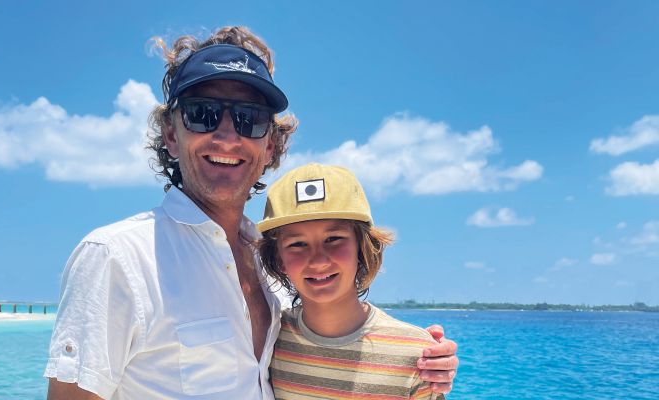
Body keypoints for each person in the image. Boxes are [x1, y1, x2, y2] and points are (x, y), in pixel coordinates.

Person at [45, 26, 458, 400]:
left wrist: (420, 360)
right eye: (202, 113)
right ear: (171, 134)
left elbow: (337, 342)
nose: (227, 136)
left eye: (250, 120)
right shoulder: (116, 256)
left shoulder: (272, 267)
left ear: (271, 148)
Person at [257, 163, 445, 399]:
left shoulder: (416, 353)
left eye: (334, 239)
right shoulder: (269, 338)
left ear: (362, 247)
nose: (318, 260)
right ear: (278, 258)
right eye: (297, 244)